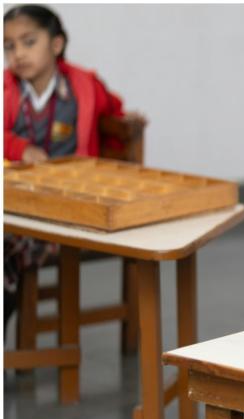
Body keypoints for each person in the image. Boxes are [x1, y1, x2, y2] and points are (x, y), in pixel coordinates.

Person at [3, 4, 142, 324]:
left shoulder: (84, 85)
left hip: (69, 208)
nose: (18, 54)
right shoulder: (6, 90)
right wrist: (20, 148)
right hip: (18, 206)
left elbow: (113, 111)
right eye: (9, 46)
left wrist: (126, 120)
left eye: (28, 42)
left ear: (56, 44)